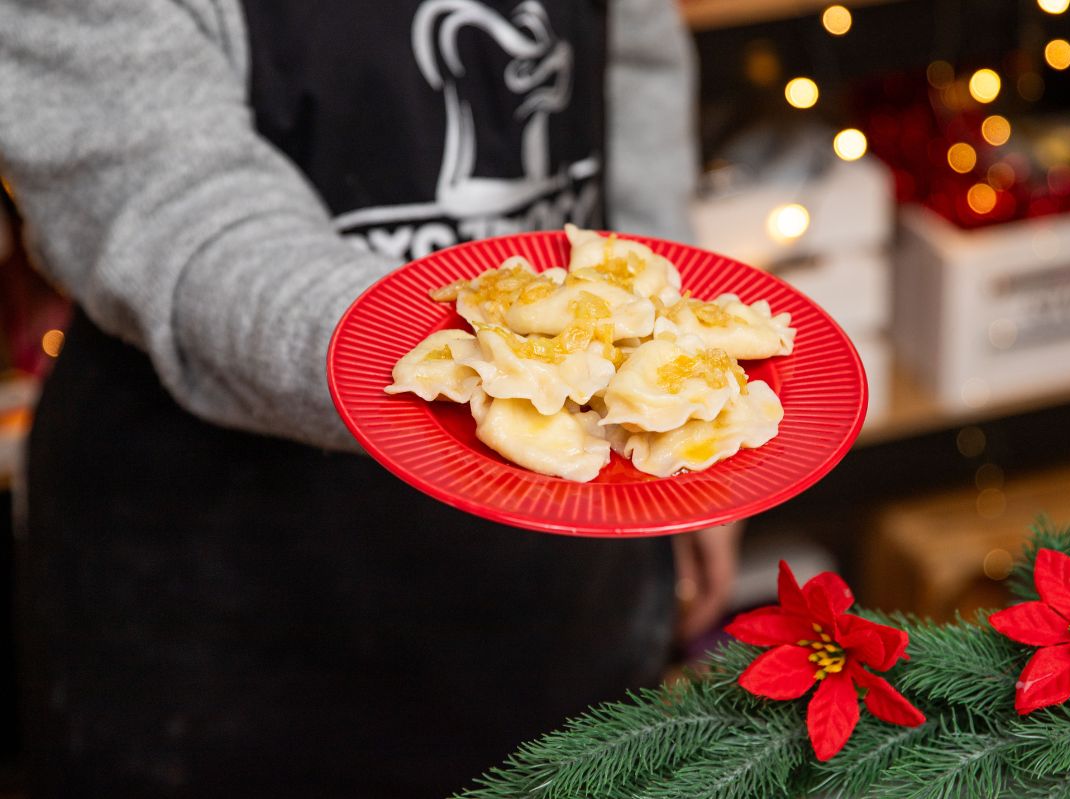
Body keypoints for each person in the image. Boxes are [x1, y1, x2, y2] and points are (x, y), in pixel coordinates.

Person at [0, 0, 740, 796]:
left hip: (560, 576)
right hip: (221, 610)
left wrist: (683, 403)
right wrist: (469, 359)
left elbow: (633, 59)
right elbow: (183, 217)